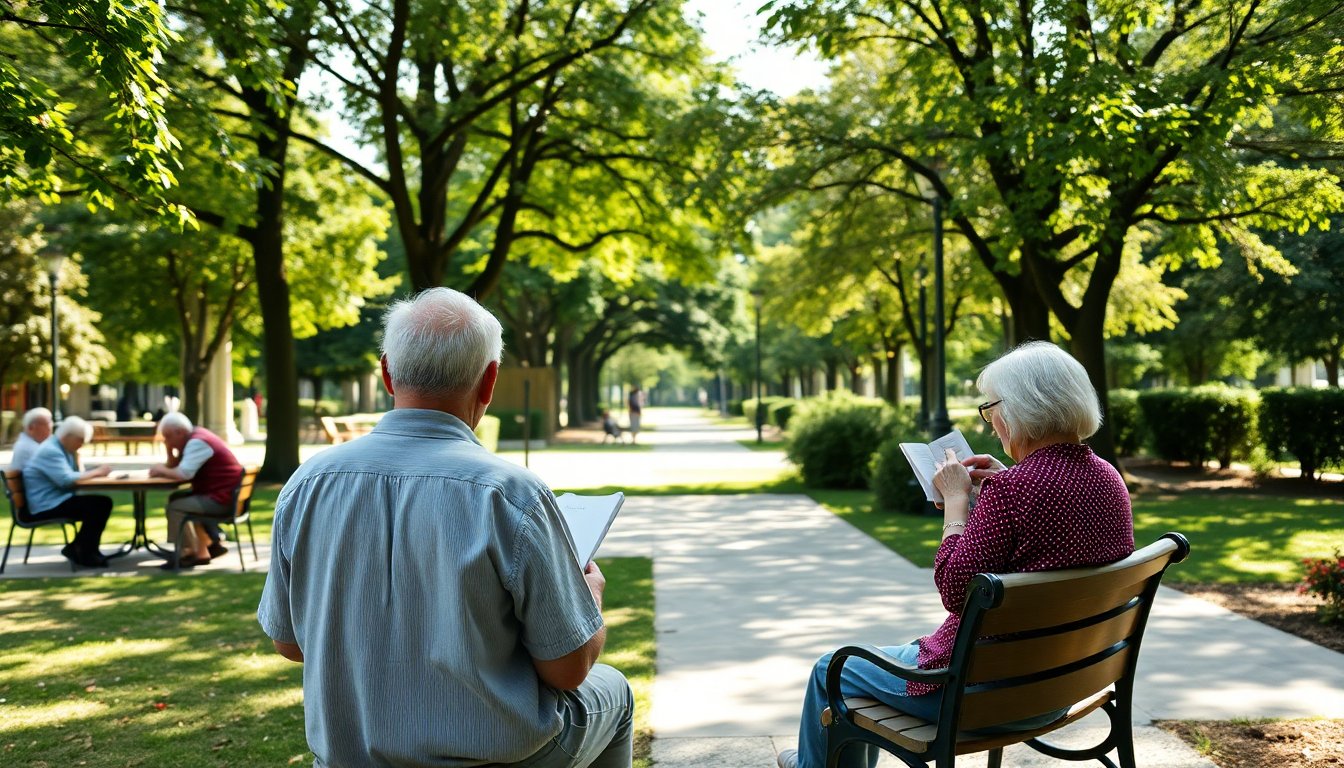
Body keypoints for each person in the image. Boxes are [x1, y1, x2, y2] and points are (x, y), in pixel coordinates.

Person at [258, 287, 633, 767]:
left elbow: (288, 643)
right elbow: (568, 670)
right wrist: (590, 598)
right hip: (497, 758)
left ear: (387, 372)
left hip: (347, 759)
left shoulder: (307, 484)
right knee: (615, 692)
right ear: (490, 381)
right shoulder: (510, 494)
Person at [778, 341, 1135, 768]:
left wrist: (956, 504)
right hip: (1059, 687)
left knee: (831, 670)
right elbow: (1055, 538)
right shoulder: (1107, 478)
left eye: (991, 409)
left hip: (982, 697)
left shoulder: (1013, 492)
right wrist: (1004, 482)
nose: (991, 425)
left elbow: (954, 589)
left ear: (1024, 405)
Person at [148, 412, 244, 570]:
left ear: (179, 432)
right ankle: (208, 543)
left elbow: (183, 473)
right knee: (177, 498)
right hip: (223, 496)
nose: (166, 440)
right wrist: (169, 448)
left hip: (220, 501)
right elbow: (174, 466)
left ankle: (190, 552)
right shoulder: (194, 438)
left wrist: (160, 469)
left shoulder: (197, 443)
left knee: (176, 507)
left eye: (168, 437)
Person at [21, 415, 113, 568]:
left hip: (55, 500)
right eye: (80, 440)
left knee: (100, 503)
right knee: (100, 505)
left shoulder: (61, 449)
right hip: (46, 505)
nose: (81, 445)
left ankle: (85, 549)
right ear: (68, 436)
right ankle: (83, 551)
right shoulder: (51, 450)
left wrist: (78, 457)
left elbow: (75, 474)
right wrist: (97, 472)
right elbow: (67, 480)